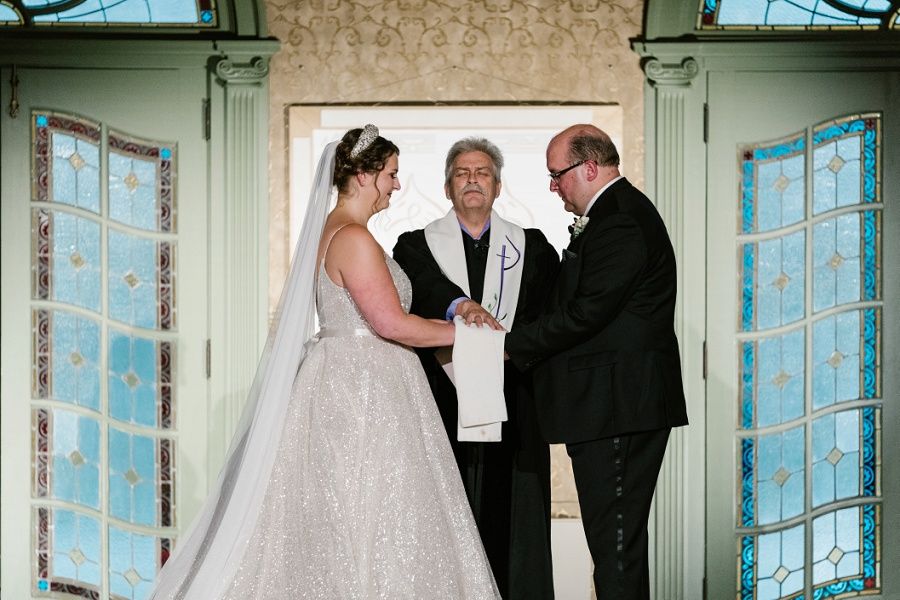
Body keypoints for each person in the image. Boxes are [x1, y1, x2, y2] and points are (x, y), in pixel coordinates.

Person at [150, 126, 500, 599]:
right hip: (364, 387)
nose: (397, 185)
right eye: (391, 174)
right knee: (372, 506)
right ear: (364, 175)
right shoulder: (352, 238)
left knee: (349, 506)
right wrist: (471, 334)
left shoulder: (334, 230)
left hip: (352, 376)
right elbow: (390, 324)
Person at [503, 125, 688, 600]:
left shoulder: (621, 220)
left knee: (616, 544)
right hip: (610, 408)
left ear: (589, 167)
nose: (552, 186)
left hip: (618, 408)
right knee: (615, 544)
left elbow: (587, 312)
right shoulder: (613, 215)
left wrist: (510, 344)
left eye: (556, 174)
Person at [393, 137, 559, 599]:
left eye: (482, 172)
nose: (472, 179)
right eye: (462, 173)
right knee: (448, 502)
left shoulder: (533, 249)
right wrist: (460, 306)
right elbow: (421, 287)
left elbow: (543, 317)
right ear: (448, 188)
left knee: (516, 513)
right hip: (443, 395)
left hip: (514, 398)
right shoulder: (414, 247)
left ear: (498, 186)